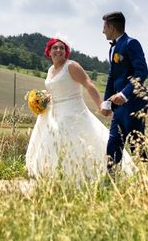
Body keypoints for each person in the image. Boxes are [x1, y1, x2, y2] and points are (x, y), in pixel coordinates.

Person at [26, 36, 135, 183]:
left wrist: (101, 105)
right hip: (53, 112)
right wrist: (44, 98)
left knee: (79, 144)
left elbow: (88, 84)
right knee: (51, 143)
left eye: (62, 48)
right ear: (49, 52)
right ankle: (53, 177)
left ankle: (87, 176)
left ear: (66, 52)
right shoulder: (51, 70)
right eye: (55, 48)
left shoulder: (71, 66)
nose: (58, 50)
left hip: (73, 111)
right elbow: (56, 89)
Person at [100, 12, 148, 177]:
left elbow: (141, 72)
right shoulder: (113, 48)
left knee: (137, 148)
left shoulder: (131, 44)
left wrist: (124, 94)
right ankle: (110, 182)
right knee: (113, 145)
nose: (103, 31)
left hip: (134, 105)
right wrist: (106, 102)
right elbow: (112, 77)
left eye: (104, 27)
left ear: (112, 27)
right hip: (118, 107)